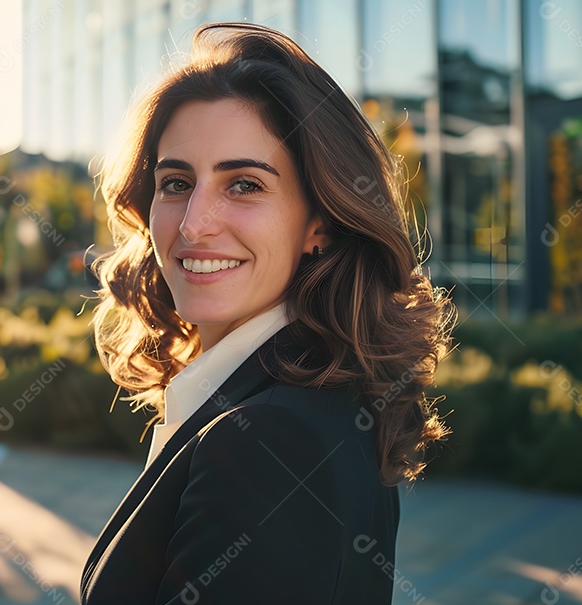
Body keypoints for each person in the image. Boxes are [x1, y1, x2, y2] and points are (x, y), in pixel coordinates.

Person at [80, 22, 455, 605]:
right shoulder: (302, 405)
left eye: (244, 185)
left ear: (319, 223)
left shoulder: (269, 442)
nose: (193, 224)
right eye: (176, 182)